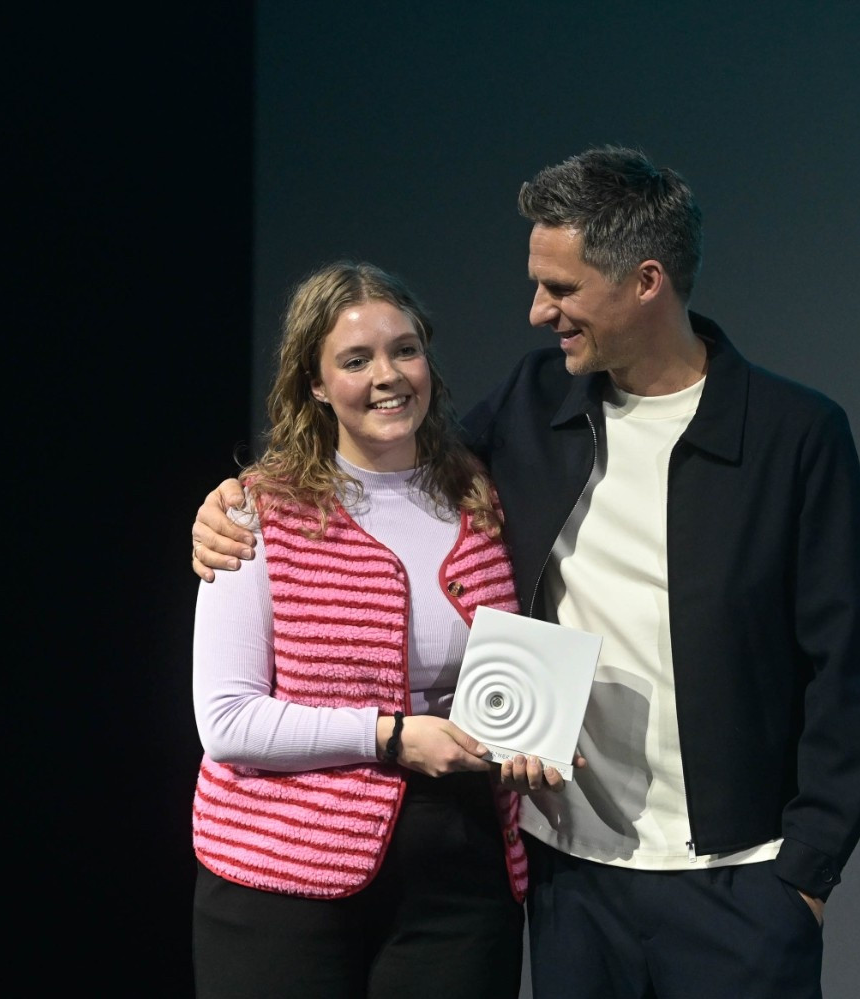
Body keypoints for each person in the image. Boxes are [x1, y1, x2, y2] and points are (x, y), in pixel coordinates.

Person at [193, 148, 860, 999]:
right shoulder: (534, 402)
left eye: (560, 288)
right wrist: (236, 500)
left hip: (737, 880)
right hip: (574, 876)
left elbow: (846, 669)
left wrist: (806, 873)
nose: (537, 311)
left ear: (646, 281)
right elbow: (393, 472)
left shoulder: (793, 434)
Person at [189, 261, 528, 999]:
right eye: (355, 359)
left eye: (405, 350)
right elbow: (227, 721)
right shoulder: (256, 512)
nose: (388, 376)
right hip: (281, 873)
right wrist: (391, 736)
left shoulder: (482, 496)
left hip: (460, 874)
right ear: (314, 382)